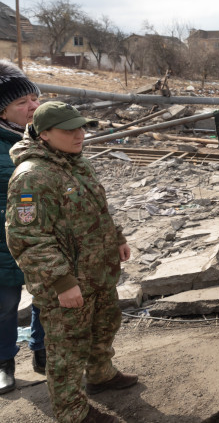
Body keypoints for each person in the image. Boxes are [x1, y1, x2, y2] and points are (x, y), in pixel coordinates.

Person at [6, 101, 138, 423]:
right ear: (45, 134)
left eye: (82, 127)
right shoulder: (32, 176)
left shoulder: (75, 161)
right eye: (70, 130)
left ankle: (100, 375)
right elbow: (28, 239)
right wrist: (63, 283)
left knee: (104, 327)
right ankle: (72, 412)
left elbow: (96, 206)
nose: (80, 134)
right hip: (68, 283)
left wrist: (117, 237)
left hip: (97, 274)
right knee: (67, 351)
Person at [0, 61, 46, 395]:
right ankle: (4, 363)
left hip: (44, 239)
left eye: (34, 98)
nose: (32, 106)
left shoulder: (43, 138)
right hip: (4, 245)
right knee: (4, 305)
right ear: (2, 112)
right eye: (21, 102)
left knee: (49, 297)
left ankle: (44, 353)